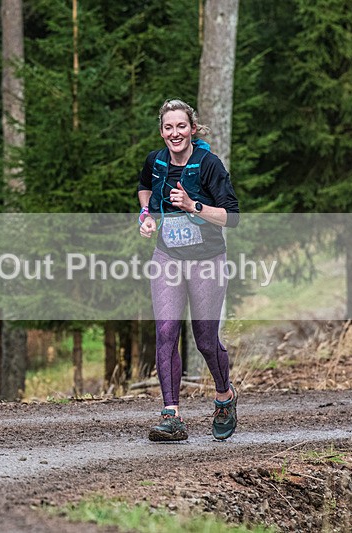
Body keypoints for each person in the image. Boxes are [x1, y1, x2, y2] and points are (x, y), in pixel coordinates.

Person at [137, 98, 240, 442]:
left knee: (205, 340)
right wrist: (146, 216)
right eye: (168, 127)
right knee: (166, 331)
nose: (175, 132)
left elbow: (232, 217)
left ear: (192, 129)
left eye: (181, 126)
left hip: (207, 260)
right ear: (161, 131)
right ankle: (171, 415)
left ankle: (224, 397)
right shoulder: (155, 161)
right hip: (167, 256)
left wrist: (194, 206)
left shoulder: (210, 165)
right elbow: (144, 188)